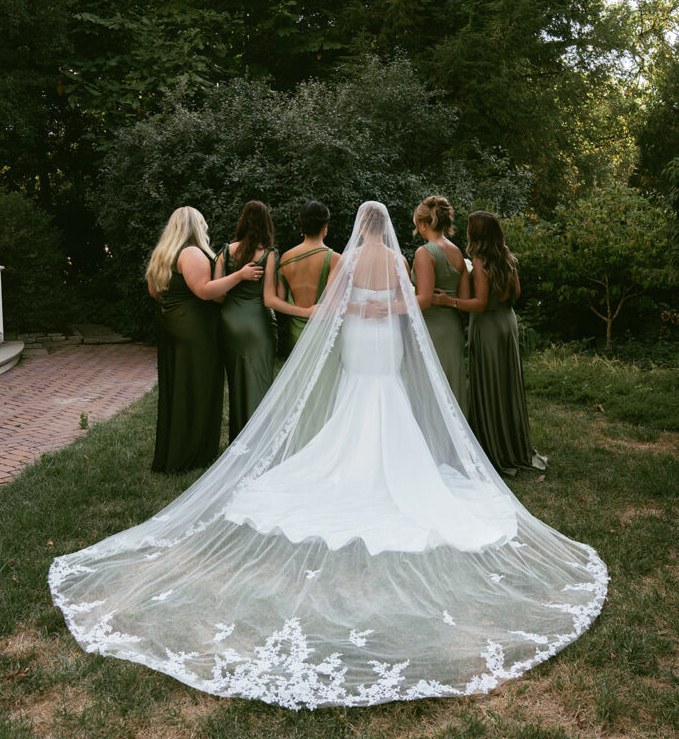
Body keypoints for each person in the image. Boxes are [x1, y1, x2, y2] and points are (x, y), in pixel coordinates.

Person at [51, 202, 606, 709]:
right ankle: (392, 465)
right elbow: (407, 305)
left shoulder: (349, 257)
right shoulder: (393, 257)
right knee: (384, 393)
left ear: (357, 227)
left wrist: (358, 308)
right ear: (384, 227)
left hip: (360, 339)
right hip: (384, 337)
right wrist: (386, 307)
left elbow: (336, 305)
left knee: (356, 396)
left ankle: (341, 463)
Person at [146, 206, 262, 473]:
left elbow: (154, 291)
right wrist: (240, 275)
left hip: (170, 327)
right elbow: (204, 291)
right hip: (195, 330)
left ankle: (174, 450)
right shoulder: (191, 253)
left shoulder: (162, 254)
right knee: (199, 388)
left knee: (178, 388)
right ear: (195, 226)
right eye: (203, 222)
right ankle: (194, 453)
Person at [431, 210, 546, 476]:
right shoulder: (507, 258)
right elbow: (515, 293)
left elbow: (480, 304)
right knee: (506, 382)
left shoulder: (480, 262)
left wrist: (450, 301)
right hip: (507, 323)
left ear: (477, 233)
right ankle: (512, 443)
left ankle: (492, 447)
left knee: (489, 382)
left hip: (487, 326)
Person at [215, 201, 279, 441]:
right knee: (260, 381)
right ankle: (258, 442)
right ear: (267, 224)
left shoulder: (225, 252)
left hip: (230, 321)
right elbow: (269, 297)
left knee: (236, 382)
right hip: (258, 323)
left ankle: (238, 440)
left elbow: (217, 293)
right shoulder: (269, 254)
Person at [412, 196, 469, 413]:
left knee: (431, 387)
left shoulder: (424, 252)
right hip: (453, 329)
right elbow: (463, 300)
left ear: (423, 224)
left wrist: (392, 304)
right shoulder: (457, 253)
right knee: (450, 386)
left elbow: (424, 300)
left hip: (432, 330)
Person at [270, 200, 340, 352]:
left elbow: (278, 300)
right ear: (325, 226)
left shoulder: (285, 258)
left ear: (302, 226)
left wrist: (303, 312)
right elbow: (332, 302)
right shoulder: (334, 258)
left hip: (296, 332)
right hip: (322, 331)